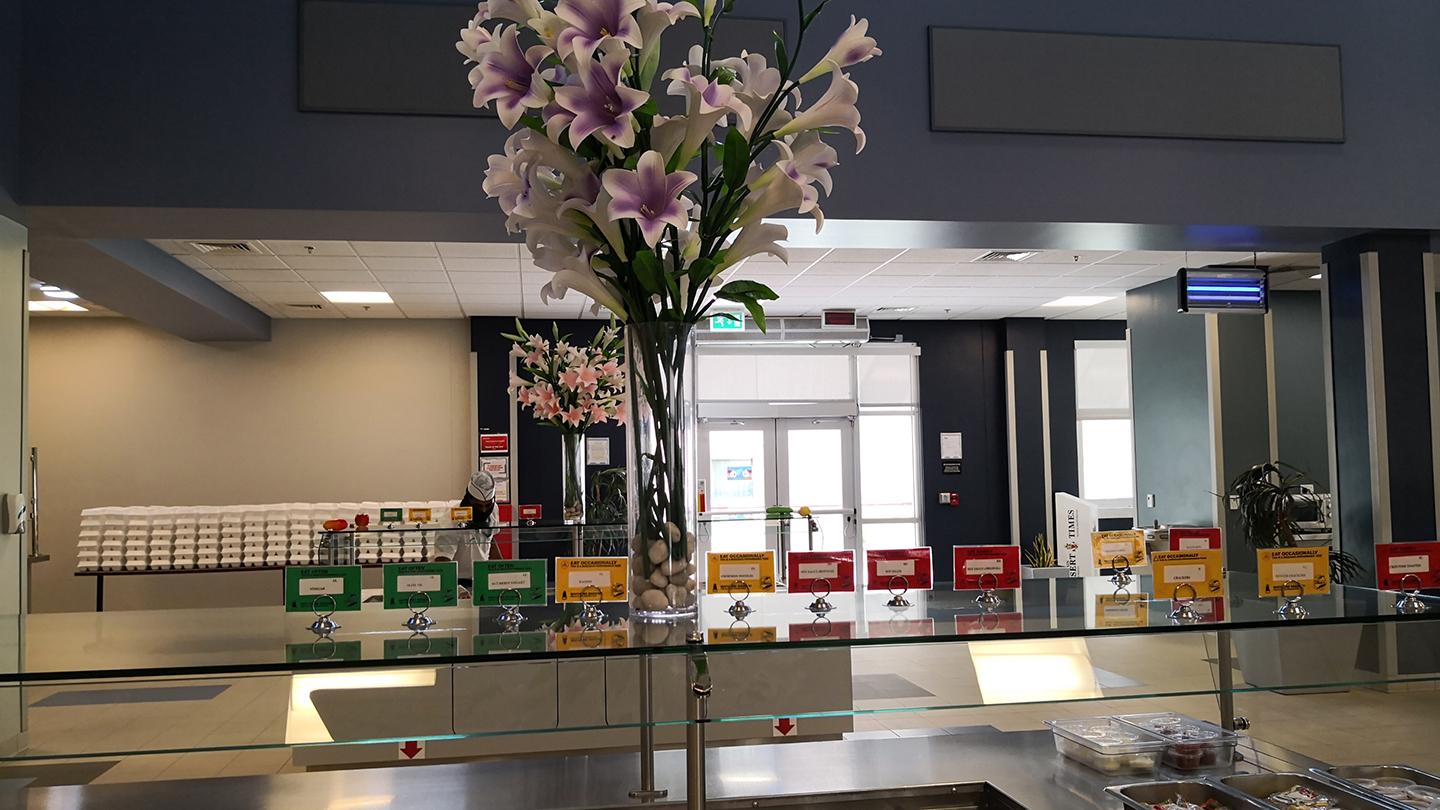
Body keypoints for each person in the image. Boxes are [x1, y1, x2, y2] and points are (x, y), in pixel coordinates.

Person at [432, 470, 499, 591]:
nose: (484, 510)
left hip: (482, 579)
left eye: (487, 505)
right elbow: (442, 560)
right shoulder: (450, 518)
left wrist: (502, 573)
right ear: (469, 500)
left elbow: (491, 538)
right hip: (457, 581)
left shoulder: (494, 510)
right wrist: (453, 588)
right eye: (478, 506)